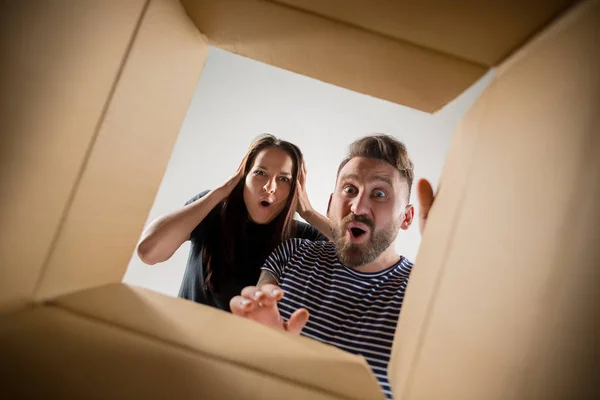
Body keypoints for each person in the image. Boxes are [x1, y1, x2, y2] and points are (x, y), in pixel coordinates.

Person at [230, 134, 436, 399]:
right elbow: (256, 319)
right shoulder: (292, 253)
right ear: (330, 204)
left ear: (406, 217)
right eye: (349, 189)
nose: (358, 206)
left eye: (380, 193)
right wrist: (255, 338)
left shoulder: (424, 292)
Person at [136, 134, 331, 311]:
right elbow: (148, 253)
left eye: (283, 179)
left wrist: (309, 213)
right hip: (182, 338)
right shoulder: (212, 210)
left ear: (295, 189)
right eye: (260, 173)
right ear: (244, 175)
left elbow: (359, 255)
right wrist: (219, 193)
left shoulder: (303, 237)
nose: (269, 187)